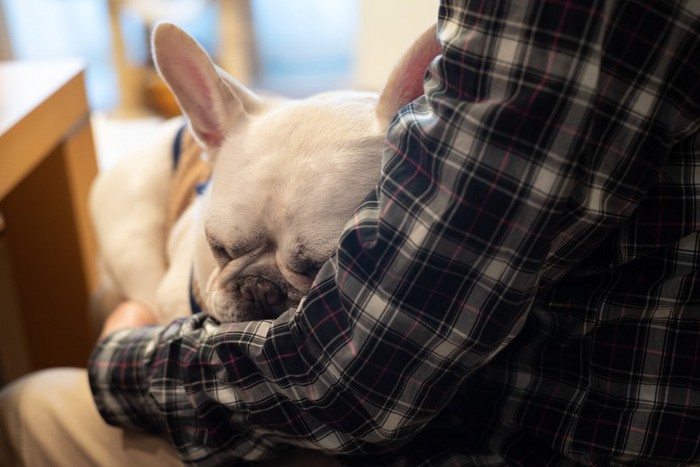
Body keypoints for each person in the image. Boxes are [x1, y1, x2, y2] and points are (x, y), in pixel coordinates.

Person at [2, 0, 699, 465]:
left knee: (24, 403)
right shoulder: (217, 159)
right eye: (226, 247)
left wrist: (122, 351)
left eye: (316, 263)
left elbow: (344, 379)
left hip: (531, 431)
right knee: (117, 281)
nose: (260, 291)